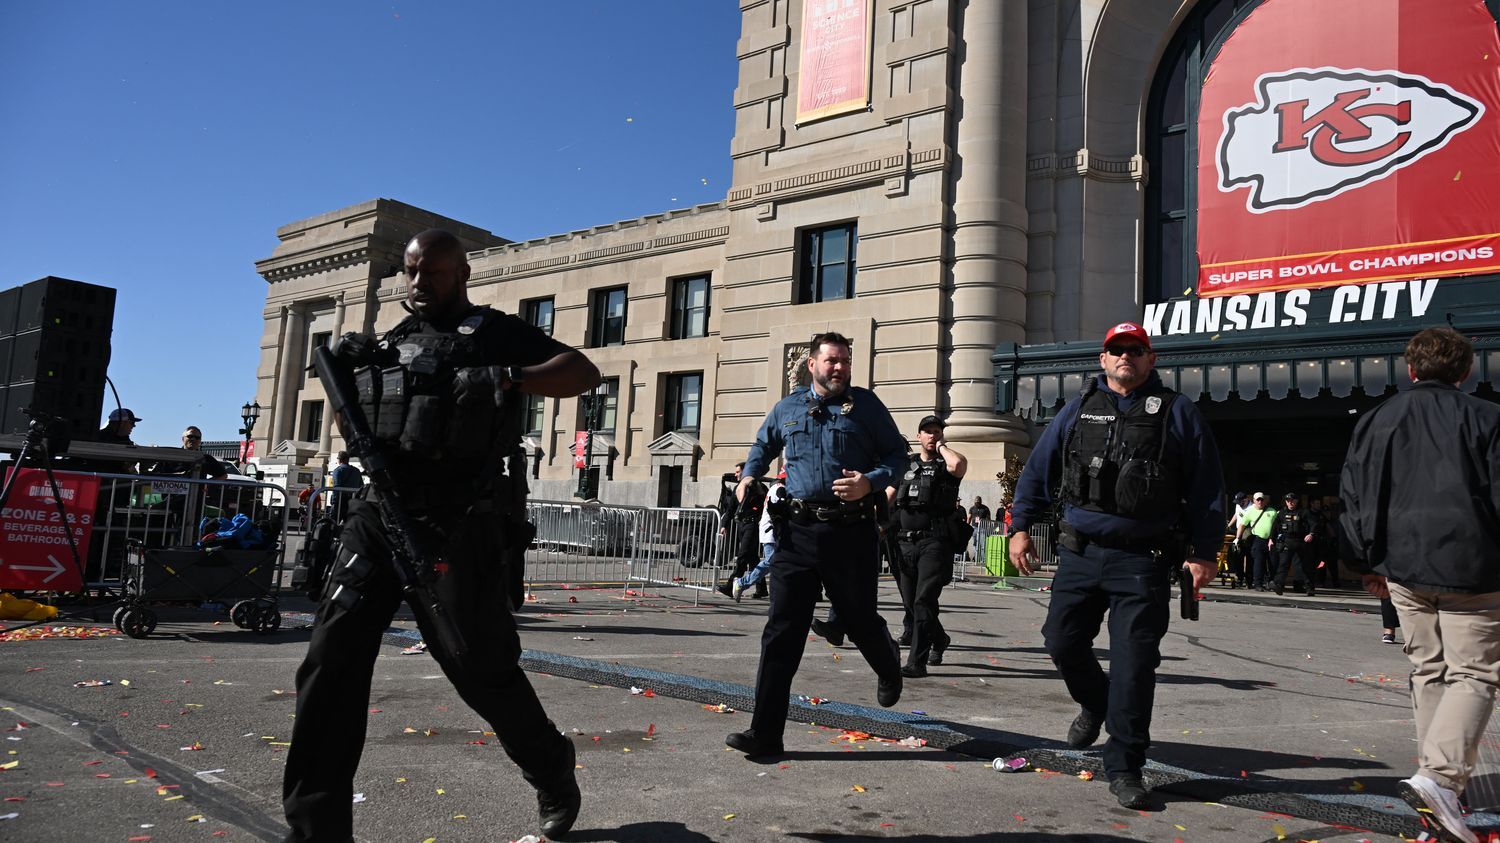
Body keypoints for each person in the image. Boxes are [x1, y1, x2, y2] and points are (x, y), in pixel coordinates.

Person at [282, 229, 602, 842]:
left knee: (479, 667)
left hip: (458, 524)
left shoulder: (495, 331)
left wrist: (508, 376)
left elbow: (581, 372)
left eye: (430, 272)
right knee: (330, 664)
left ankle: (550, 766)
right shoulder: (394, 341)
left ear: (461, 275)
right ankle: (315, 831)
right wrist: (356, 361)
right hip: (379, 516)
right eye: (409, 272)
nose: (417, 283)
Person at [1008, 321, 1223, 810]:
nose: (1125, 356)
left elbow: (1208, 488)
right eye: (1116, 349)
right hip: (1080, 554)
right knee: (1061, 641)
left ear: (1151, 360)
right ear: (1102, 360)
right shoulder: (1077, 409)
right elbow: (1038, 471)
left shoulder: (1178, 412)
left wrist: (1204, 552)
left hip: (1142, 561)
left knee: (1134, 666)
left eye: (1135, 349)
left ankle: (1125, 766)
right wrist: (1020, 526)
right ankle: (1096, 704)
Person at [1339, 327, 1500, 843]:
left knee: (1427, 670)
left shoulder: (1376, 419)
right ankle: (1441, 779)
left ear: (1410, 369)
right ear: (1465, 372)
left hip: (1402, 564)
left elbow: (1355, 493)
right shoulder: (1487, 417)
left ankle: (1437, 781)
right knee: (1474, 673)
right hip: (1472, 565)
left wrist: (1364, 560)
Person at [725, 331, 908, 759]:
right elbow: (763, 444)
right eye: (832, 361)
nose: (840, 367)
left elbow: (897, 457)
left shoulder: (867, 407)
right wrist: (750, 475)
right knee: (781, 633)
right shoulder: (788, 407)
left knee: (860, 620)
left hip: (851, 533)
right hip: (798, 533)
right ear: (813, 365)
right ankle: (765, 734)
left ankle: (888, 664)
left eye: (845, 360)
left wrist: (870, 482)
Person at [890, 414, 967, 678]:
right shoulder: (906, 465)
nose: (932, 435)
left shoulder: (947, 464)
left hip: (934, 543)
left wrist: (943, 447)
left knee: (924, 601)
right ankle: (940, 639)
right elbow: (889, 495)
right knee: (913, 604)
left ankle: (916, 662)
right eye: (928, 431)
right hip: (904, 543)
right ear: (918, 436)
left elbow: (958, 464)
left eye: (937, 431)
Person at [732, 471, 786, 601]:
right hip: (772, 532)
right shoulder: (780, 489)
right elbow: (779, 511)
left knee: (780, 562)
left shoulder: (778, 488)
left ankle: (783, 593)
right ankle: (741, 583)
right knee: (771, 561)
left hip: (773, 531)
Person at [719, 464, 768, 600]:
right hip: (742, 525)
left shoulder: (758, 487)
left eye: (738, 472)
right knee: (753, 559)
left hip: (752, 525)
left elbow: (764, 505)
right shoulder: (737, 488)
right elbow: (730, 509)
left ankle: (731, 586)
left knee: (742, 556)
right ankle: (762, 589)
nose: (736, 474)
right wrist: (724, 525)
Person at [1270, 492, 1316, 596]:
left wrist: (1311, 534)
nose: (1290, 503)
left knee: (1304, 566)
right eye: (1288, 501)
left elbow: (1314, 524)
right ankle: (1278, 585)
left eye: (1292, 500)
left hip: (1301, 541)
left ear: (1297, 501)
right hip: (1287, 541)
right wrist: (1271, 539)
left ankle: (1309, 588)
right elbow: (1275, 527)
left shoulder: (1304, 512)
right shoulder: (1281, 513)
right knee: (1283, 564)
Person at [1239, 493, 1276, 591]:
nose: (1260, 502)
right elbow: (1242, 524)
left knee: (1273, 562)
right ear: (1254, 500)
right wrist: (1237, 538)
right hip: (1257, 539)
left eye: (1262, 500)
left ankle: (1271, 583)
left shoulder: (1272, 511)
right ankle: (1258, 584)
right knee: (1258, 562)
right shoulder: (1250, 511)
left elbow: (1277, 525)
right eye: (1258, 500)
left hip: (1271, 540)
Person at [329, 450, 363, 522]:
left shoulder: (338, 471)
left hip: (340, 502)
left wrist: (334, 501)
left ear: (340, 459)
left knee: (334, 523)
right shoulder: (356, 471)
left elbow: (336, 488)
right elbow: (361, 486)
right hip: (353, 502)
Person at [967, 496, 992, 562]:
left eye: (978, 502)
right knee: (975, 543)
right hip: (974, 528)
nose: (977, 503)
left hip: (983, 528)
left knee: (983, 543)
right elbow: (969, 517)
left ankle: (983, 559)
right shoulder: (972, 508)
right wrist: (967, 526)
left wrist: (988, 527)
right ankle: (976, 557)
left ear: (980, 502)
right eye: (976, 502)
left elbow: (989, 518)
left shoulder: (985, 508)